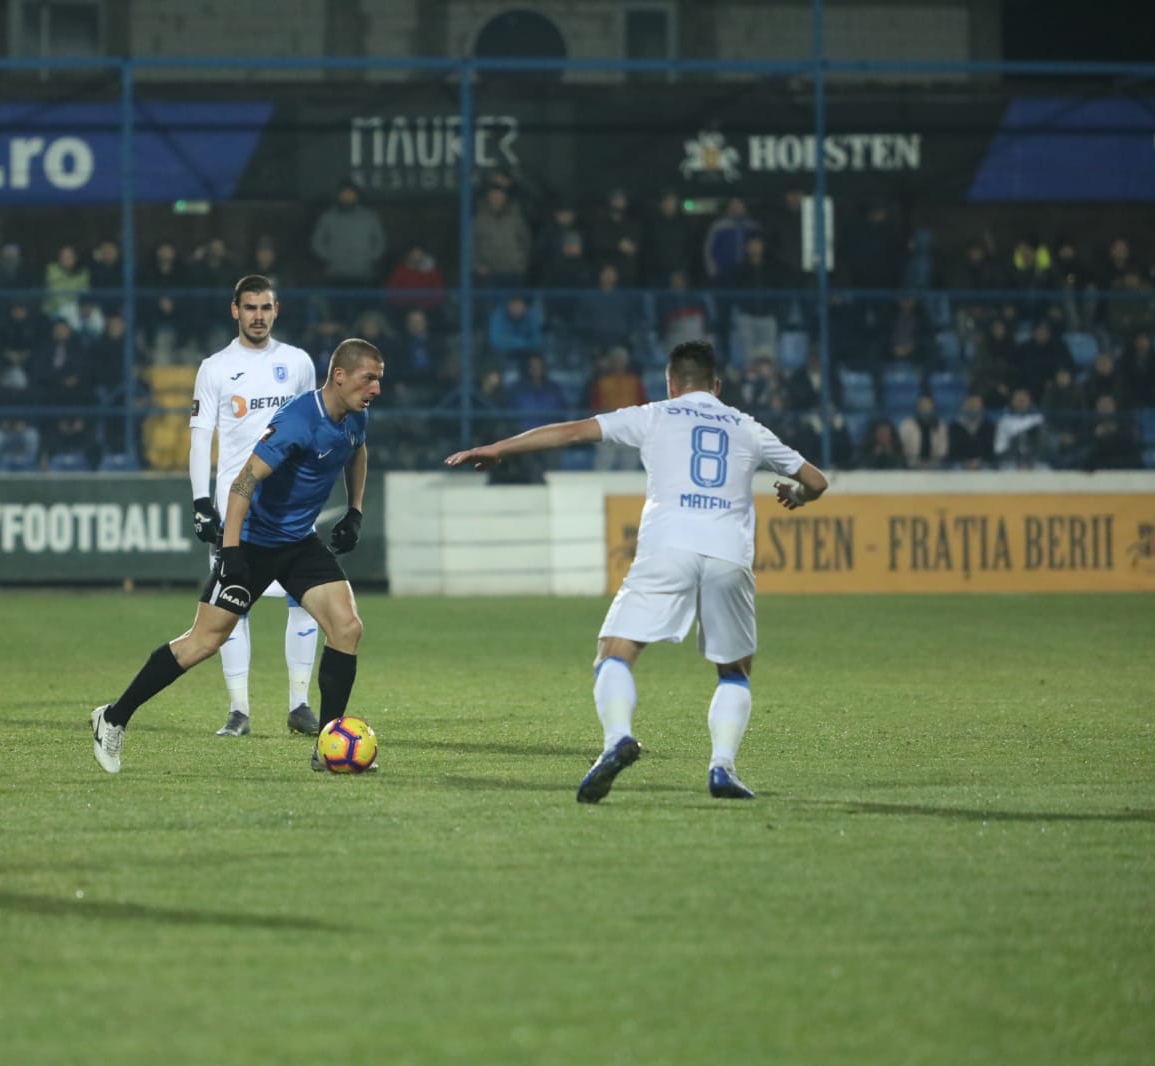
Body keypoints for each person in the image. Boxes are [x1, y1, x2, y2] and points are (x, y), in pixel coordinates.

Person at [444, 339, 828, 803]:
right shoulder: (748, 427)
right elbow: (816, 481)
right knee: (734, 671)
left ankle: (617, 739)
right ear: (717, 386)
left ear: (671, 384)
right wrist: (796, 495)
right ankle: (722, 767)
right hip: (730, 553)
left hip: (668, 546)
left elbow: (571, 433)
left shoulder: (655, 415)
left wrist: (499, 448)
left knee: (614, 653)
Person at [91, 339, 383, 774]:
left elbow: (357, 451)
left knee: (347, 627)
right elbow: (243, 482)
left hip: (298, 543)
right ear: (339, 376)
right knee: (203, 642)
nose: (376, 388)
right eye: (369, 378)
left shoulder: (356, 415)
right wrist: (230, 551)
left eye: (379, 379)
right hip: (251, 540)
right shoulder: (298, 420)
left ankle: (328, 746)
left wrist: (355, 510)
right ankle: (113, 718)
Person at [187, 275, 323, 737]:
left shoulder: (298, 363)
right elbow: (200, 437)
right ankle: (239, 710)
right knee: (231, 609)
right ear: (235, 311)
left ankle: (300, 705)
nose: (258, 316)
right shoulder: (215, 368)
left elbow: (313, 428)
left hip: (289, 508)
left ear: (276, 310)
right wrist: (201, 500)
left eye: (266, 308)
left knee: (304, 601)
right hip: (237, 509)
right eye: (250, 308)